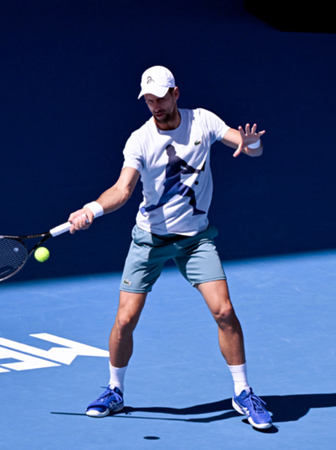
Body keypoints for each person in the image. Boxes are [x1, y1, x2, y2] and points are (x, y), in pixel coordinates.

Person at [67, 66, 272, 429]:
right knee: (125, 320)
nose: (155, 106)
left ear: (176, 93)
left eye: (160, 98)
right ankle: (114, 390)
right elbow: (123, 190)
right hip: (150, 239)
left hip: (196, 240)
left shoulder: (203, 121)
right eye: (148, 100)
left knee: (224, 312)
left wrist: (250, 143)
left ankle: (243, 392)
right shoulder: (139, 140)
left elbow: (246, 147)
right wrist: (91, 209)